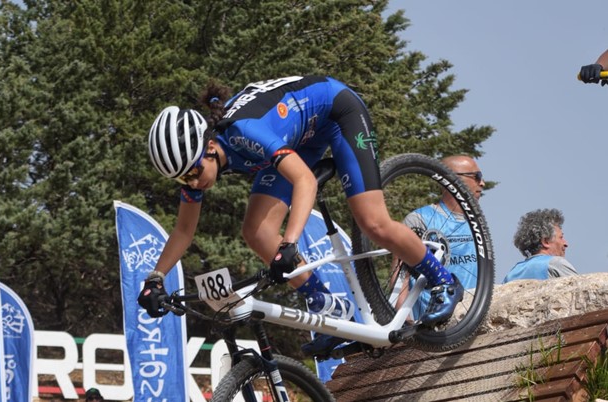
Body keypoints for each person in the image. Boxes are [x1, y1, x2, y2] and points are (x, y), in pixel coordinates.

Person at [137, 76, 463, 354]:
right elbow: (184, 230)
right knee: (257, 232)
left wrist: (290, 244)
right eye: (182, 180)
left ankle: (443, 281)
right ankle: (328, 308)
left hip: (336, 113)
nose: (192, 184)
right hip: (297, 138)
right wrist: (155, 278)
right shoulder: (199, 164)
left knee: (372, 222)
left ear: (208, 147)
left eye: (193, 173)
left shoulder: (244, 132)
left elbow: (304, 180)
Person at [399, 155, 485, 320]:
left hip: (472, 316)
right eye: (477, 176)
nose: (482, 183)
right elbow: (401, 278)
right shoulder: (419, 219)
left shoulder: (479, 223)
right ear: (451, 179)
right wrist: (405, 321)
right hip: (431, 320)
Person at [503, 208, 578, 283]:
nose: (565, 243)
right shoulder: (556, 264)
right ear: (546, 241)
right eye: (561, 237)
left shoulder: (511, 274)